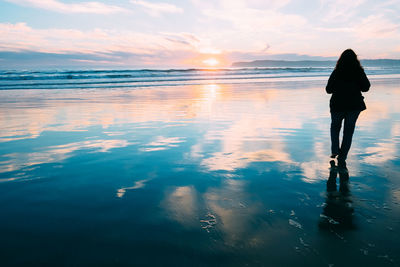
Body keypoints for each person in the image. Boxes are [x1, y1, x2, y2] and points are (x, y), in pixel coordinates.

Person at [326, 49, 370, 168]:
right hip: (354, 105)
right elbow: (366, 87)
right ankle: (343, 155)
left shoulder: (337, 72)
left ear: (341, 60)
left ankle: (335, 150)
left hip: (337, 104)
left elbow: (328, 89)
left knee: (335, 127)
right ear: (355, 60)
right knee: (348, 131)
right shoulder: (359, 72)